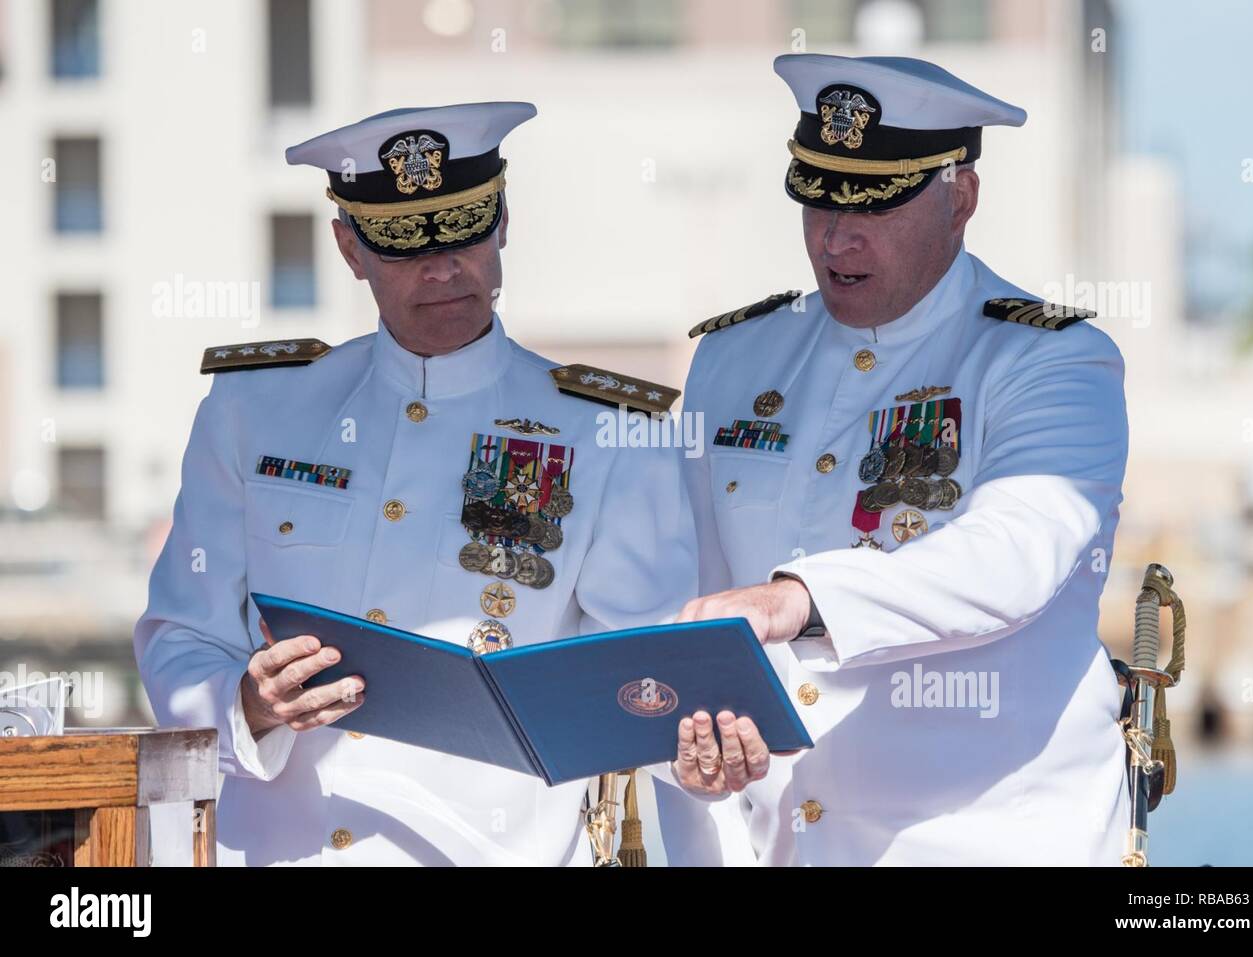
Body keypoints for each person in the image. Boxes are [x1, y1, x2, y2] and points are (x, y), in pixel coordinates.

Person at [134, 102, 695, 866]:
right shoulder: (254, 410)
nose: (441, 269)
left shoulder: (610, 432)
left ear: (503, 223)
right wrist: (247, 704)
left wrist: (696, 746)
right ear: (349, 247)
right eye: (404, 246)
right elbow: (181, 635)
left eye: (463, 234)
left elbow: (646, 670)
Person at [671, 54, 1131, 865]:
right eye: (815, 200)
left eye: (871, 207)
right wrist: (694, 749)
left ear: (962, 198)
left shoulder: (1051, 360)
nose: (835, 236)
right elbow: (696, 598)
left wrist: (800, 598)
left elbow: (1015, 553)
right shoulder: (734, 360)